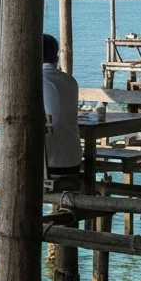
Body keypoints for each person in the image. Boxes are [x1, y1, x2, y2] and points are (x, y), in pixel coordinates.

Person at [42, 34, 83, 176]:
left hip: (46, 166)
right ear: (56, 55)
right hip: (73, 162)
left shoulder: (34, 80)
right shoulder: (70, 80)